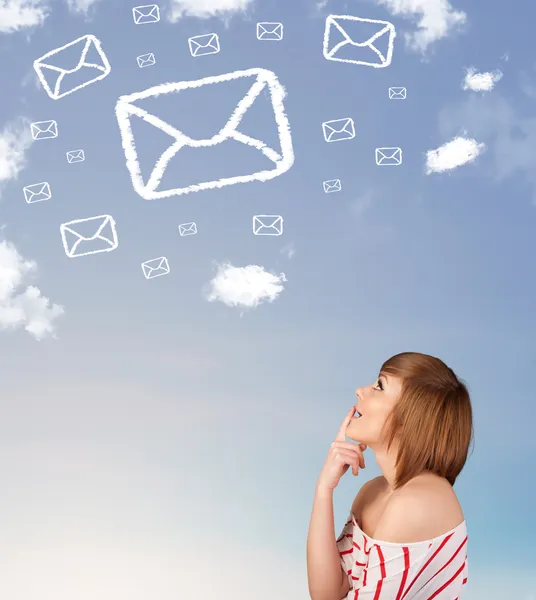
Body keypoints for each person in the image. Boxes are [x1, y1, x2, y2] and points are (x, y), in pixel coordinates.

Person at [306, 352, 473, 600]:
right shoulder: (374, 492)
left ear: (410, 418)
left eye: (379, 386)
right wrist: (323, 490)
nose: (360, 391)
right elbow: (328, 593)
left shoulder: (417, 502)